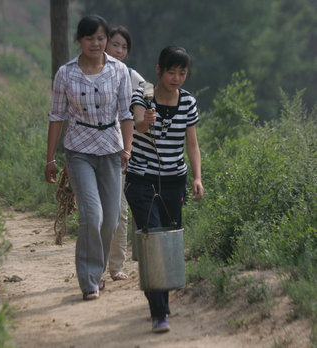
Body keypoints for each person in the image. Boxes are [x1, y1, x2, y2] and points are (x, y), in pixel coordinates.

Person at [44, 15, 133, 301]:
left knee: (110, 221)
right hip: (79, 149)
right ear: (79, 40)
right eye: (90, 38)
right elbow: (57, 117)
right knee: (92, 216)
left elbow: (126, 114)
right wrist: (50, 159)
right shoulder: (65, 73)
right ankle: (90, 279)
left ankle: (98, 269)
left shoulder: (119, 71)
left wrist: (128, 149)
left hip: (111, 149)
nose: (96, 43)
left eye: (101, 38)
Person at [124, 46, 204, 333]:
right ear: (159, 70)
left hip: (174, 180)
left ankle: (161, 299)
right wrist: (145, 121)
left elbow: (191, 143)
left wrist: (197, 177)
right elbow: (136, 127)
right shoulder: (143, 96)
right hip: (141, 179)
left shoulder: (188, 102)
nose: (177, 78)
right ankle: (158, 311)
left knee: (168, 242)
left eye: (182, 73)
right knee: (153, 238)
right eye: (172, 72)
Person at [105, 25, 145, 281]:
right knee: (98, 210)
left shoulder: (134, 78)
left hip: (125, 152)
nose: (119, 51)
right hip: (95, 149)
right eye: (115, 44)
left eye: (123, 46)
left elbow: (148, 99)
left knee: (119, 209)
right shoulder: (92, 73)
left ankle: (116, 265)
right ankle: (97, 263)